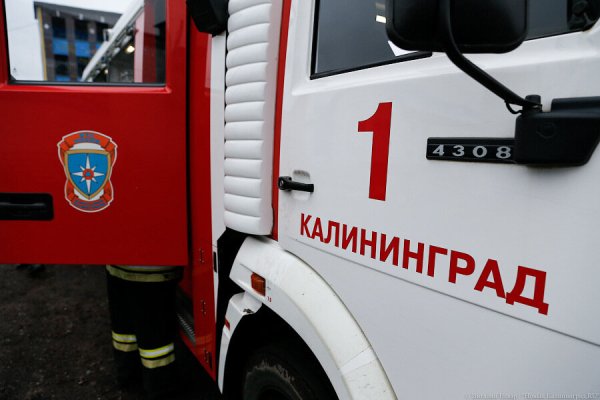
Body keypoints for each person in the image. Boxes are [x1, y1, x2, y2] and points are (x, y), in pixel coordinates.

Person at [105, 265, 181, 399]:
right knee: (155, 338)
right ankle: (159, 387)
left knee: (124, 329)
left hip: (117, 268)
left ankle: (129, 375)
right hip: (153, 273)